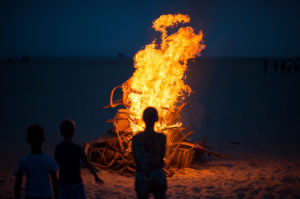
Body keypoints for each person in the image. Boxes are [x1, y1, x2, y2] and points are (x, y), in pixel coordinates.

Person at [55, 119, 103, 199]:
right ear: (73, 132)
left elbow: (55, 164)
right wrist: (95, 176)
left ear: (61, 132)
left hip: (63, 183)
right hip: (76, 183)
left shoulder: (59, 148)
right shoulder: (77, 148)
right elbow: (87, 163)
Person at [14, 124, 58, 199]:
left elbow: (18, 183)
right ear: (43, 139)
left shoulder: (23, 160)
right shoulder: (49, 160)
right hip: (46, 196)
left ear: (28, 139)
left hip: (30, 195)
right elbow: (55, 183)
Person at [132, 107, 167, 199]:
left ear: (143, 119)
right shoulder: (161, 138)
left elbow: (136, 158)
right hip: (157, 175)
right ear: (156, 119)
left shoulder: (136, 139)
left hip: (142, 176)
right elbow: (161, 156)